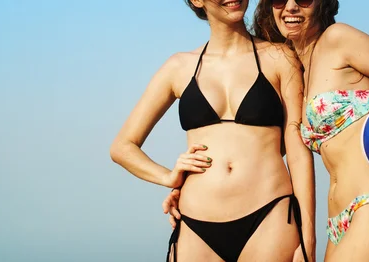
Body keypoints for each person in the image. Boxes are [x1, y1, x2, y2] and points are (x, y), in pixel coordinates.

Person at [164, 0, 369, 261]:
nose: (290, 7)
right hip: (338, 224)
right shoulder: (294, 64)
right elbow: (258, 149)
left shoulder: (340, 40)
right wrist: (189, 185)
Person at [109, 0, 316, 261]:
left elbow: (298, 151)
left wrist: (308, 238)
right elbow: (122, 147)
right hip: (196, 226)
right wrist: (168, 177)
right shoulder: (179, 66)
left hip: (269, 216)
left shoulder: (280, 58)